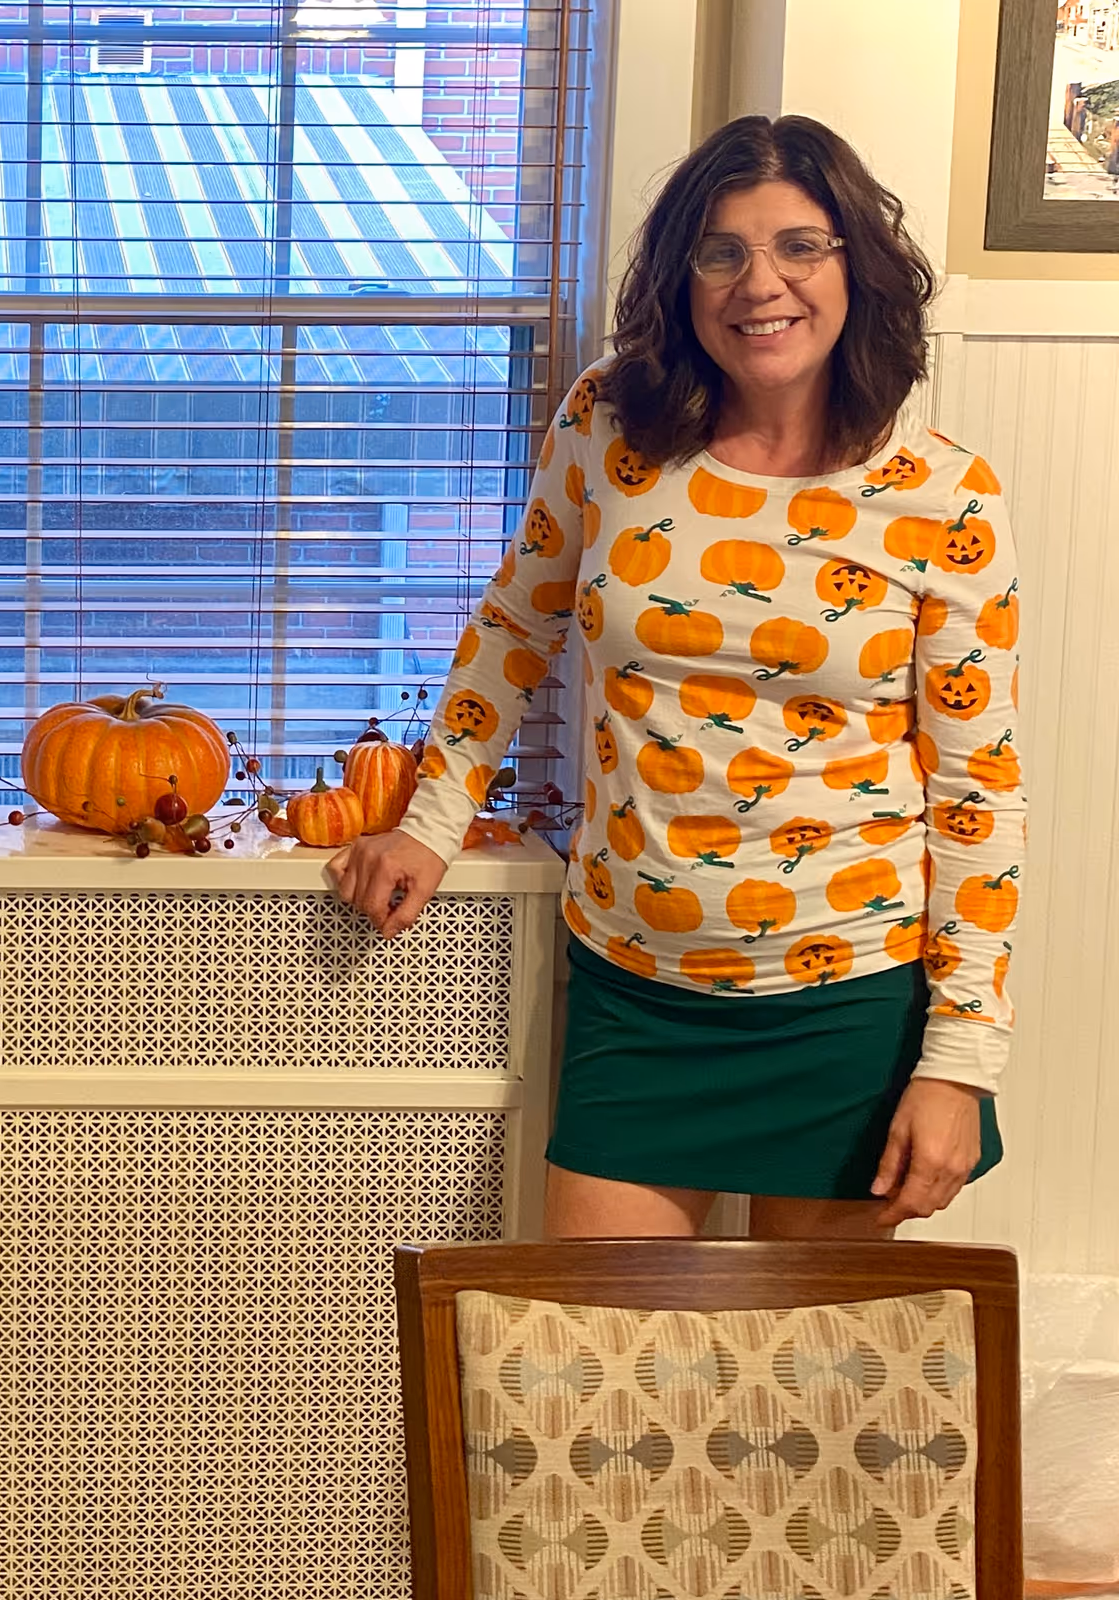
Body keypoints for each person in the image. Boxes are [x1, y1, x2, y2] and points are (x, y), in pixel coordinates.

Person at [331, 115, 1025, 1243]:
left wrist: (960, 1060)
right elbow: (518, 622)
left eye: (802, 246)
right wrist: (432, 819)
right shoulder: (611, 425)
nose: (764, 283)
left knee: (807, 1395)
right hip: (637, 988)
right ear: (681, 278)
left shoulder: (944, 499)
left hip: (851, 1000)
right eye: (722, 251)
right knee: (598, 1383)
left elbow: (979, 791)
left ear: (857, 266)